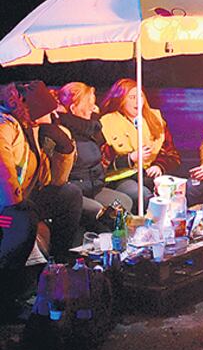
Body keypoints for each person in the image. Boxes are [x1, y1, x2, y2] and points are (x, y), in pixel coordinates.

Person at [0, 81, 81, 318]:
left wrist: (63, 148)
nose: (55, 114)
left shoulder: (33, 129)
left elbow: (55, 181)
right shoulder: (5, 126)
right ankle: (6, 297)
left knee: (70, 195)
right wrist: (17, 203)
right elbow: (3, 171)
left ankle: (57, 266)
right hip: (5, 209)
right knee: (23, 218)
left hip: (24, 201)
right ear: (33, 109)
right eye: (49, 110)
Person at [57, 82, 133, 230]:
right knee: (105, 214)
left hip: (94, 188)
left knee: (124, 201)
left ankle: (120, 242)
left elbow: (103, 155)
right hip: (76, 192)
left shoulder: (90, 129)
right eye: (89, 104)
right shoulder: (64, 133)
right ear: (73, 108)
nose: (94, 107)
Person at [99, 79, 181, 208]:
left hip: (150, 175)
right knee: (143, 196)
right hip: (122, 178)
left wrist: (159, 166)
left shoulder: (155, 119)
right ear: (121, 100)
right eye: (132, 97)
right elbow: (101, 163)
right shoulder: (107, 122)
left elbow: (172, 155)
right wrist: (130, 158)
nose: (137, 101)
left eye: (140, 96)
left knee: (175, 194)